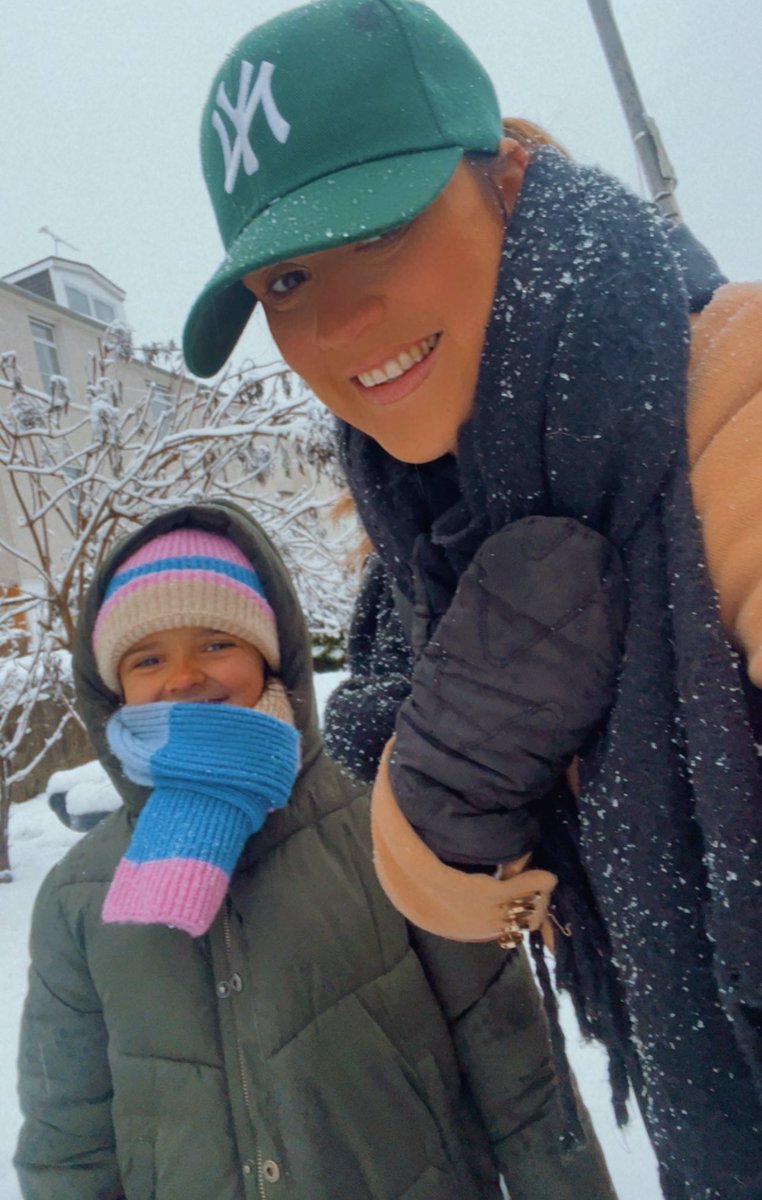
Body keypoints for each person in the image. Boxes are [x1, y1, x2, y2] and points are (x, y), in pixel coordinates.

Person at [180, 4, 762, 1197]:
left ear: (504, 176)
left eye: (382, 230)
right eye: (287, 276)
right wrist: (455, 773)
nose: (338, 323)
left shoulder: (725, 400)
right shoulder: (425, 551)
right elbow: (444, 883)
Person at [15, 500, 616, 1200]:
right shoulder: (79, 895)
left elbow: (525, 1083)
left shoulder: (390, 830)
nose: (182, 677)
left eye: (216, 642)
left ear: (276, 658)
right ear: (112, 688)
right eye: (147, 657)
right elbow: (67, 1146)